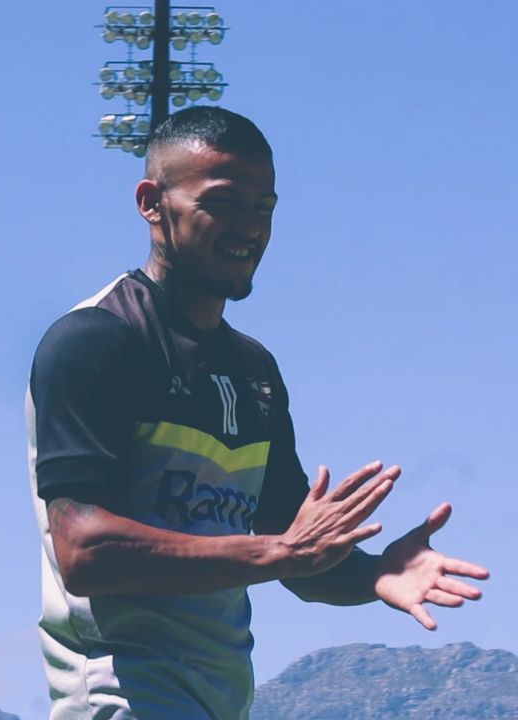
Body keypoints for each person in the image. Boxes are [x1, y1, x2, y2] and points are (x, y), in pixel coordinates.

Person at [25, 107, 488, 720]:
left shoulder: (254, 372)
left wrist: (375, 575)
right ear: (151, 203)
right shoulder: (96, 341)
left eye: (263, 207)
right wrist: (278, 553)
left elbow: (299, 560)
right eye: (222, 202)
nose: (249, 226)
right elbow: (85, 552)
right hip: (122, 700)